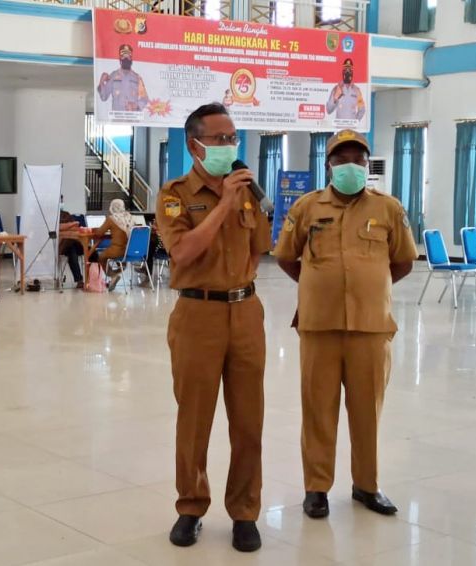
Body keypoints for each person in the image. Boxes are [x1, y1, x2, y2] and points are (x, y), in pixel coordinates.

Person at [274, 129, 417, 519]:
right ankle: (316, 488)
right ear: (328, 165)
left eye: (358, 160)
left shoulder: (388, 208)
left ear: (367, 166)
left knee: (367, 410)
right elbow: (287, 257)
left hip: (371, 327)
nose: (350, 166)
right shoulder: (306, 207)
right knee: (317, 409)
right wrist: (318, 284)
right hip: (319, 326)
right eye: (342, 159)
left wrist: (371, 286)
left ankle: (366, 485)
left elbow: (403, 260)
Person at [155, 103, 272, 553]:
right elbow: (182, 252)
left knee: (248, 422)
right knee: (195, 418)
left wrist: (245, 202)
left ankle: (245, 512)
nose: (229, 146)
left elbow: (260, 248)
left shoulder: (247, 190)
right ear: (194, 144)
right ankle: (190, 506)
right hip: (197, 314)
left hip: (244, 312)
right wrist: (224, 203)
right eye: (219, 138)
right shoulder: (175, 193)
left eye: (232, 137)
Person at [92, 199, 132, 292]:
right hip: (129, 250)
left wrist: (93, 229)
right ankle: (119, 270)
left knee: (101, 257)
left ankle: (113, 276)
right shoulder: (129, 216)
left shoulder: (111, 219)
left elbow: (99, 233)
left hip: (117, 250)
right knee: (118, 258)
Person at [98, 44, 150, 113]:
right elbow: (103, 97)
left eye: (128, 55)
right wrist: (101, 82)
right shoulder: (113, 76)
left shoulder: (137, 78)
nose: (126, 58)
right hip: (117, 120)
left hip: (133, 118)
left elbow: (145, 98)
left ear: (131, 58)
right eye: (123, 55)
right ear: (120, 58)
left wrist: (135, 105)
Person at [59, 205, 84, 289]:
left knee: (90, 249)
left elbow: (76, 228)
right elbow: (58, 228)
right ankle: (79, 280)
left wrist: (67, 227)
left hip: (74, 242)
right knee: (72, 250)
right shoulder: (53, 217)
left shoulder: (66, 214)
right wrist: (71, 224)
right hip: (62, 245)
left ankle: (96, 277)